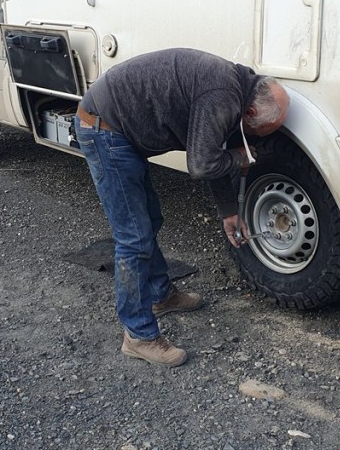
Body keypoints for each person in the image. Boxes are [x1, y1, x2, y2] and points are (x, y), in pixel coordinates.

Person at [74, 48, 290, 367]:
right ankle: (138, 336)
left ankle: (160, 296)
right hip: (104, 130)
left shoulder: (238, 88)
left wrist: (229, 211)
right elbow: (202, 165)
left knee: (149, 219)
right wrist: (238, 158)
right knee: (133, 237)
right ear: (251, 111)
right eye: (256, 133)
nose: (253, 139)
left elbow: (215, 148)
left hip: (119, 126)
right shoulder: (222, 96)